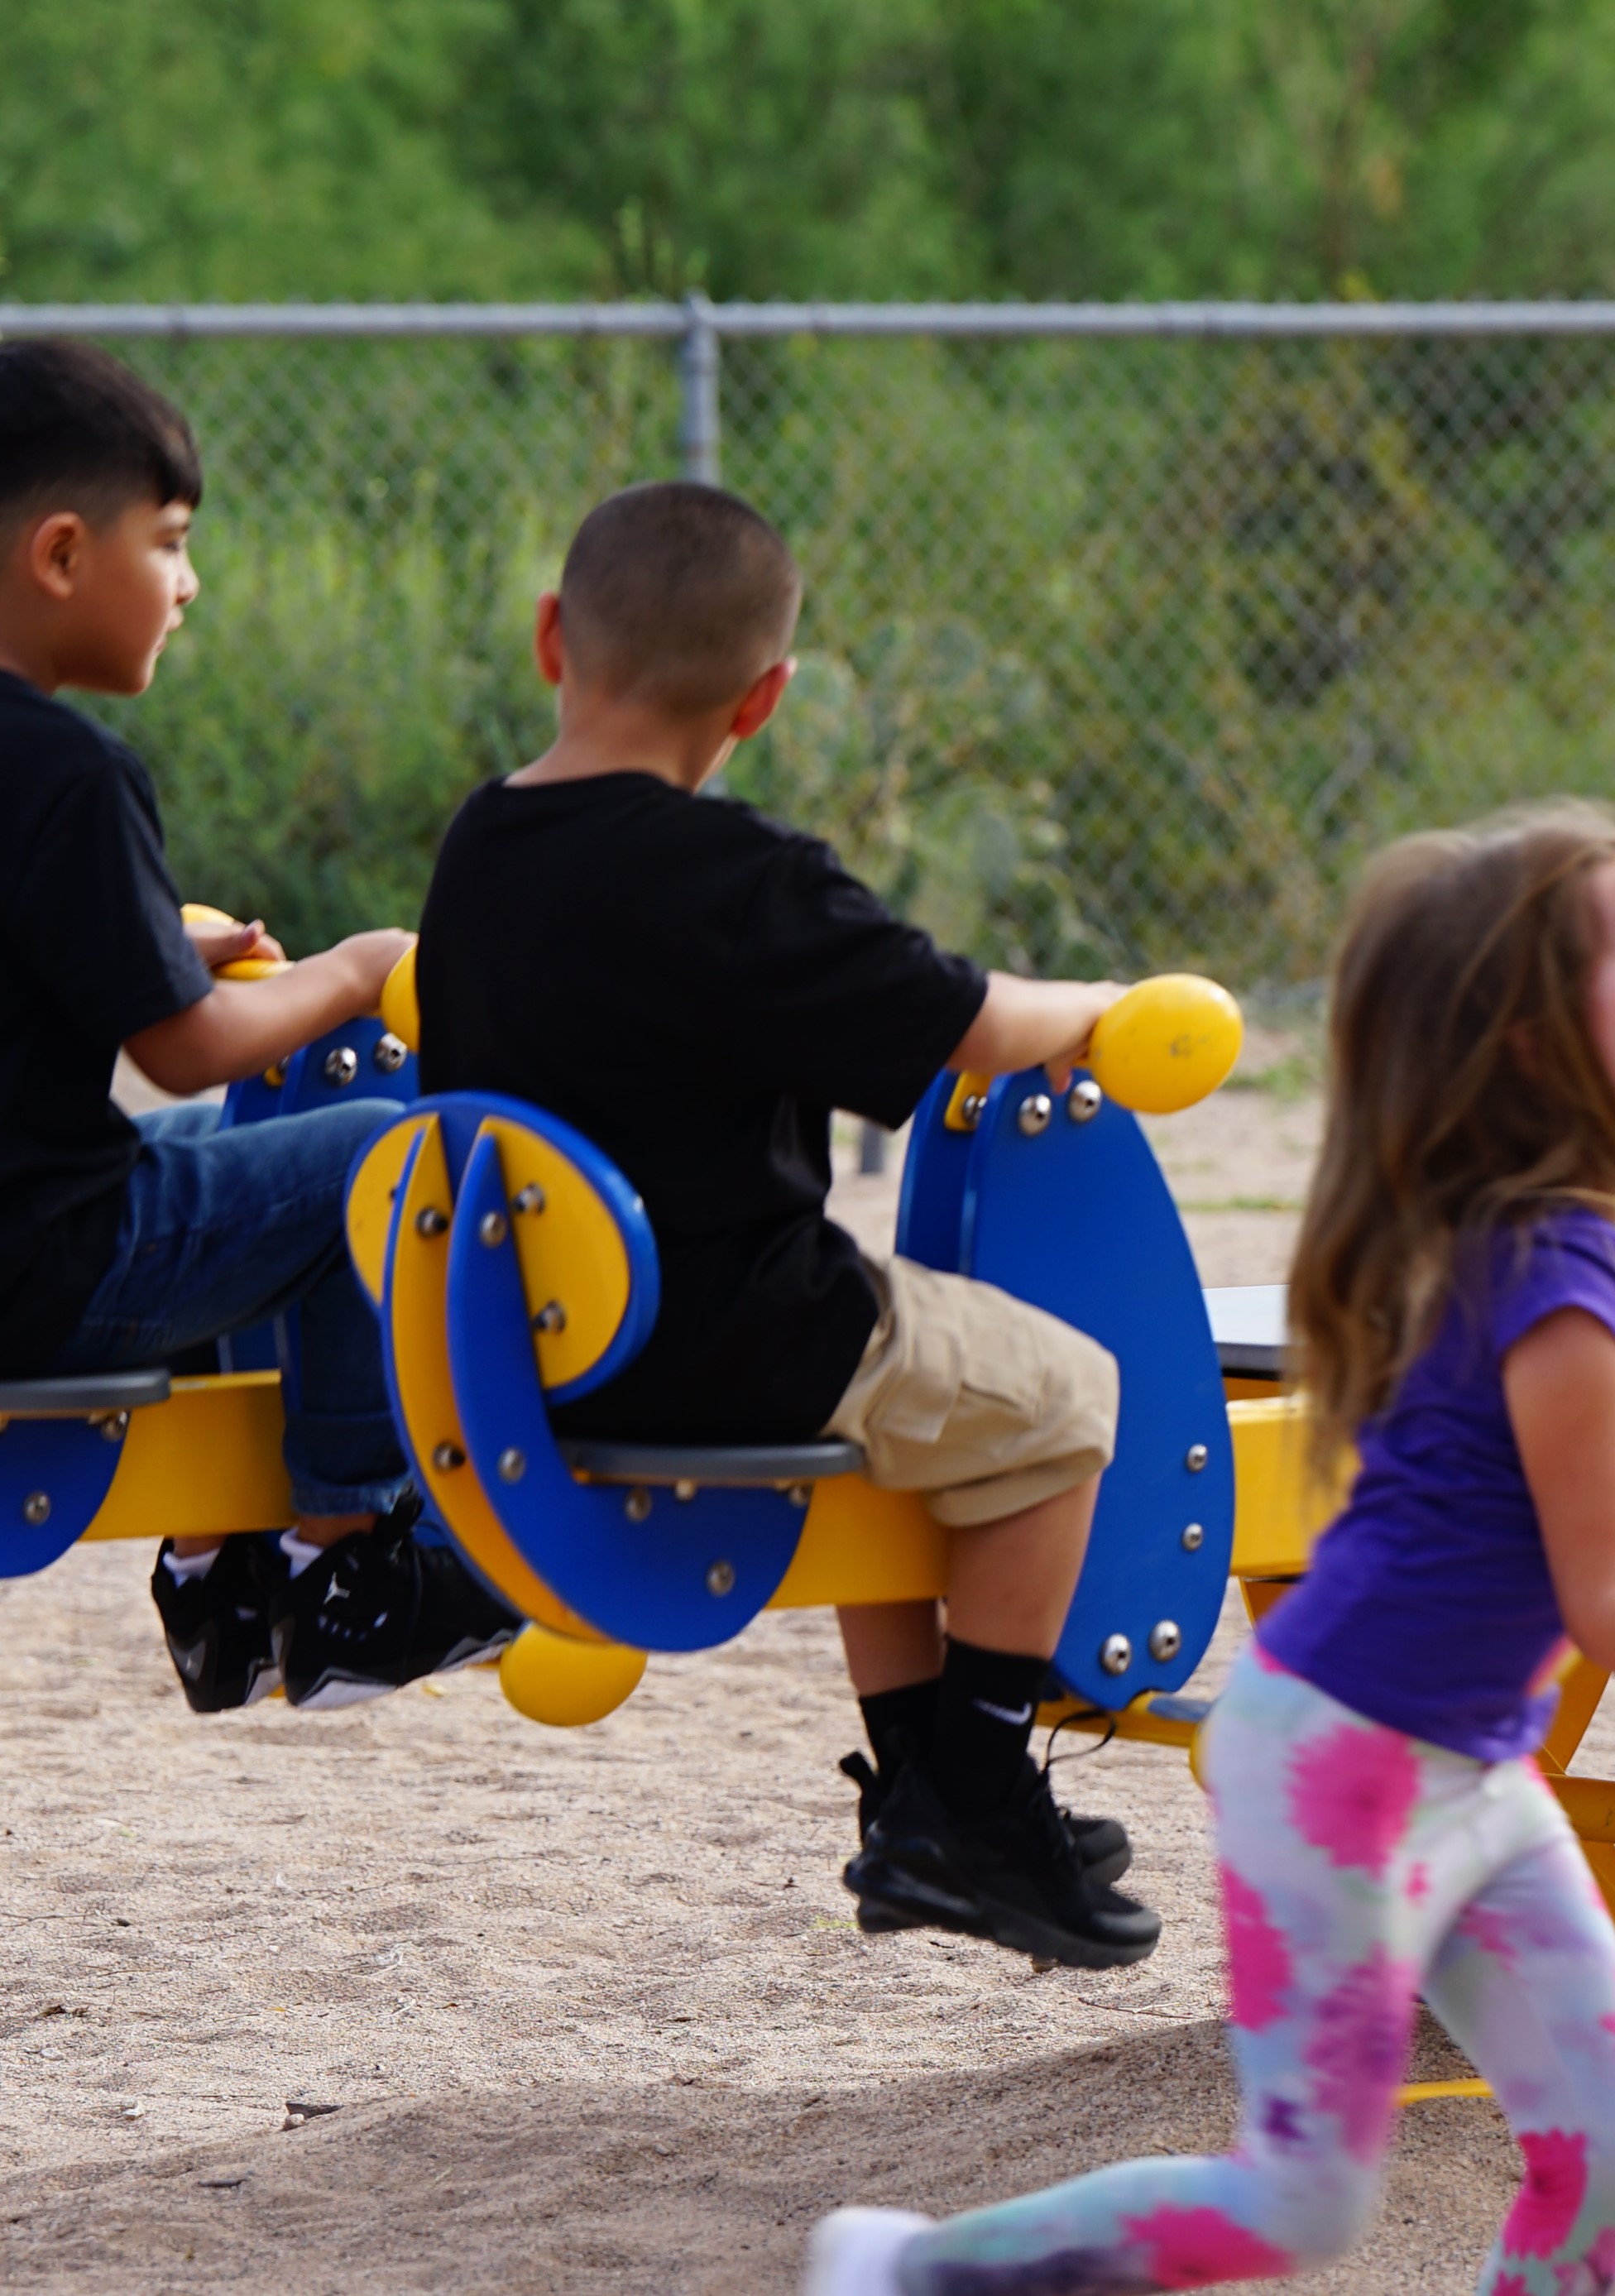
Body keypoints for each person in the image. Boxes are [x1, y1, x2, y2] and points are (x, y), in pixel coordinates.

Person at [802, 549, 1615, 2296]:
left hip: (1471, 1770)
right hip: (1336, 1770)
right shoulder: (1559, 1296)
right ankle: (909, 2269)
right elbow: (1610, 1608)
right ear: (1538, 1049)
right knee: (1303, 2196)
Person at [414, 481, 1161, 1967]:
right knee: (1072, 1401)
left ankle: (912, 1799)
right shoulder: (747, 882)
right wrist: (1101, 1009)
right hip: (740, 1339)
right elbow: (973, 1024)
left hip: (546, 1347)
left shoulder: (477, 849)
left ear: (553, 638)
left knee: (921, 1436)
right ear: (763, 698)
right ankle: (983, 1790)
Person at [0, 337, 511, 1718]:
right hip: (31, 1273)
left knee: (240, 1138)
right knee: (389, 1153)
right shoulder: (70, 770)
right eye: (169, 544)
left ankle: (214, 1572)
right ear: (61, 555)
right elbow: (181, 1046)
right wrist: (355, 972)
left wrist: (167, 943)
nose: (189, 585)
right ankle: (345, 1550)